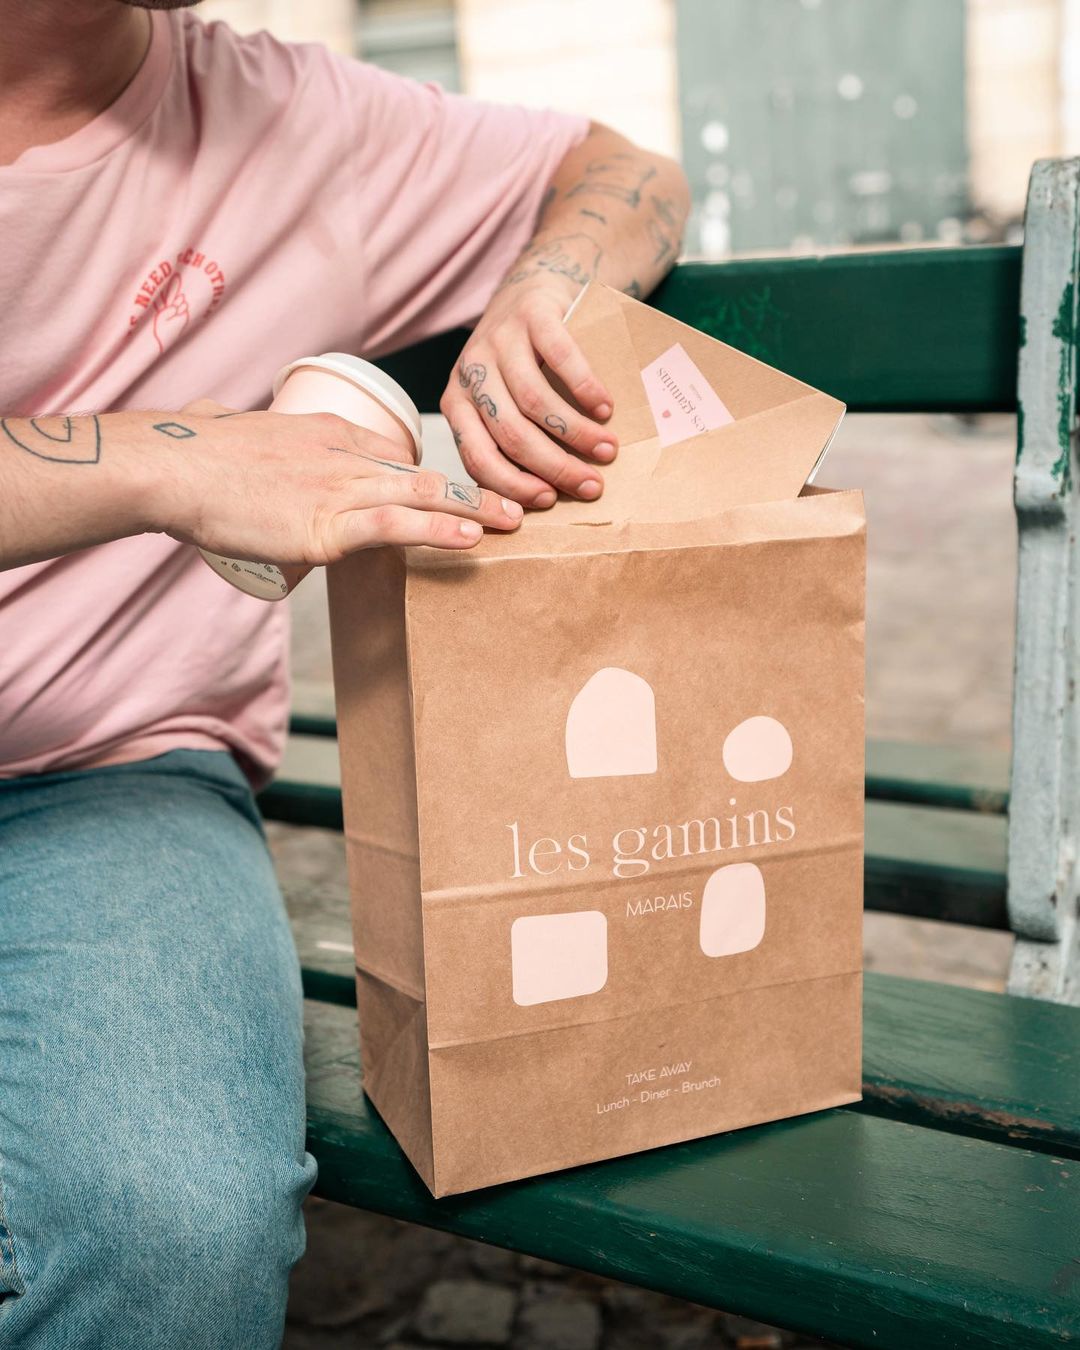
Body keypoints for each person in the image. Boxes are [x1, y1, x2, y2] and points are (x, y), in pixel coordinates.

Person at [0, 1, 689, 1344]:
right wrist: (166, 459)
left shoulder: (296, 121)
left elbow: (629, 170)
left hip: (108, 773)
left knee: (173, 1230)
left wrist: (551, 289)